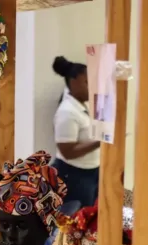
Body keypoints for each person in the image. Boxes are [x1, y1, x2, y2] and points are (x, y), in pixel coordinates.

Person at [51, 56, 100, 208]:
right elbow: (68, 152)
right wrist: (100, 142)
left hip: (90, 173)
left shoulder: (83, 106)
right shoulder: (67, 112)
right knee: (72, 223)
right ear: (73, 82)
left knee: (88, 219)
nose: (91, 86)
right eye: (87, 82)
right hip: (73, 176)